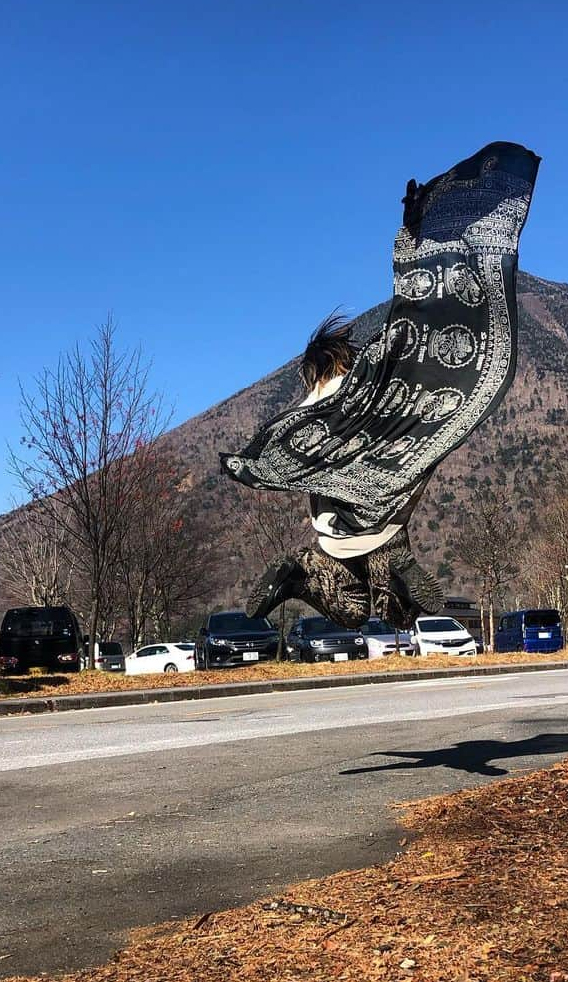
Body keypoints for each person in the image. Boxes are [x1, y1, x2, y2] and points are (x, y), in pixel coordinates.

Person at [221, 140, 540, 630]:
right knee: (395, 611)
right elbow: (410, 332)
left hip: (331, 534)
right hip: (384, 520)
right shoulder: (368, 385)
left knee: (352, 614)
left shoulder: (311, 408)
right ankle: (395, 570)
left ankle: (306, 572)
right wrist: (417, 236)